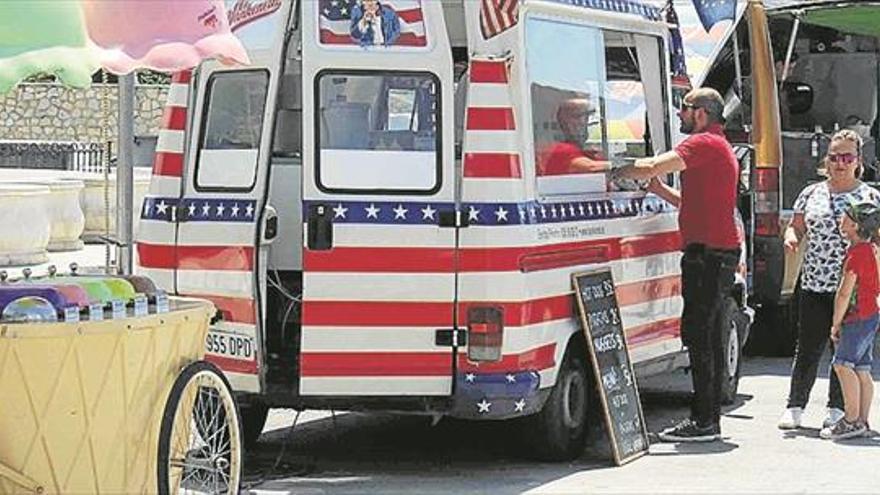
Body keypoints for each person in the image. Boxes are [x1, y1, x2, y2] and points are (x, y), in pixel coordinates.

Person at [613, 87, 740, 442]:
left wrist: (610, 168)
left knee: (700, 338)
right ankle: (708, 420)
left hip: (709, 256)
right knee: (709, 339)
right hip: (716, 253)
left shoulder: (702, 144)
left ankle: (703, 422)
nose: (681, 115)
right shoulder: (717, 146)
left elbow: (654, 164)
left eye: (684, 109)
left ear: (701, 113)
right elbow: (697, 201)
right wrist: (660, 192)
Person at [777, 129, 880, 431]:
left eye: (847, 158)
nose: (840, 163)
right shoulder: (811, 193)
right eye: (834, 157)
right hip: (814, 283)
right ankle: (795, 406)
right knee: (808, 346)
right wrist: (792, 238)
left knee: (845, 351)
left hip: (855, 290)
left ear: (858, 161)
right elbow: (795, 227)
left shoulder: (870, 197)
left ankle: (838, 408)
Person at [819, 201, 880, 440]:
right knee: (862, 369)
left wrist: (836, 322)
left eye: (845, 218)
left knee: (842, 365)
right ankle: (863, 420)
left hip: (857, 317)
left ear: (855, 225)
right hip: (871, 314)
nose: (840, 220)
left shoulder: (856, 254)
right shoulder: (872, 249)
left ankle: (851, 420)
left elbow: (845, 293)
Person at [537, 98, 609, 176]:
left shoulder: (585, 151)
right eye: (578, 117)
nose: (584, 123)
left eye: (587, 117)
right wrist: (619, 165)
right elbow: (590, 167)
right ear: (564, 122)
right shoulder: (563, 149)